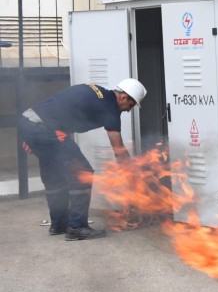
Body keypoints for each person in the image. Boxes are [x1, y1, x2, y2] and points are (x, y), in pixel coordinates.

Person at [18, 79, 146, 240]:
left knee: (54, 175)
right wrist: (131, 177)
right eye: (131, 105)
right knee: (83, 173)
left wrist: (32, 136)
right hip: (44, 129)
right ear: (123, 97)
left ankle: (59, 224)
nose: (128, 110)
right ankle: (77, 227)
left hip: (28, 122)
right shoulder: (111, 108)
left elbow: (64, 108)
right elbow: (119, 150)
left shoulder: (97, 92)